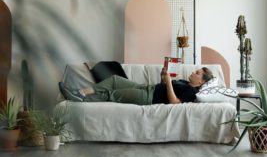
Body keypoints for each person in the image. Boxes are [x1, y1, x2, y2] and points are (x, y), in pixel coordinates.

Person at [59, 67, 214, 105]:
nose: (194, 72)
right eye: (196, 71)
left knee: (112, 94)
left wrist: (168, 82)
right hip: (148, 88)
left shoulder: (192, 91)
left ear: (202, 82)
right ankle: (80, 92)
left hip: (148, 98)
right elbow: (164, 89)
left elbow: (174, 103)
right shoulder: (185, 82)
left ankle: (79, 98)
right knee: (114, 80)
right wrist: (163, 78)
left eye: (198, 73)